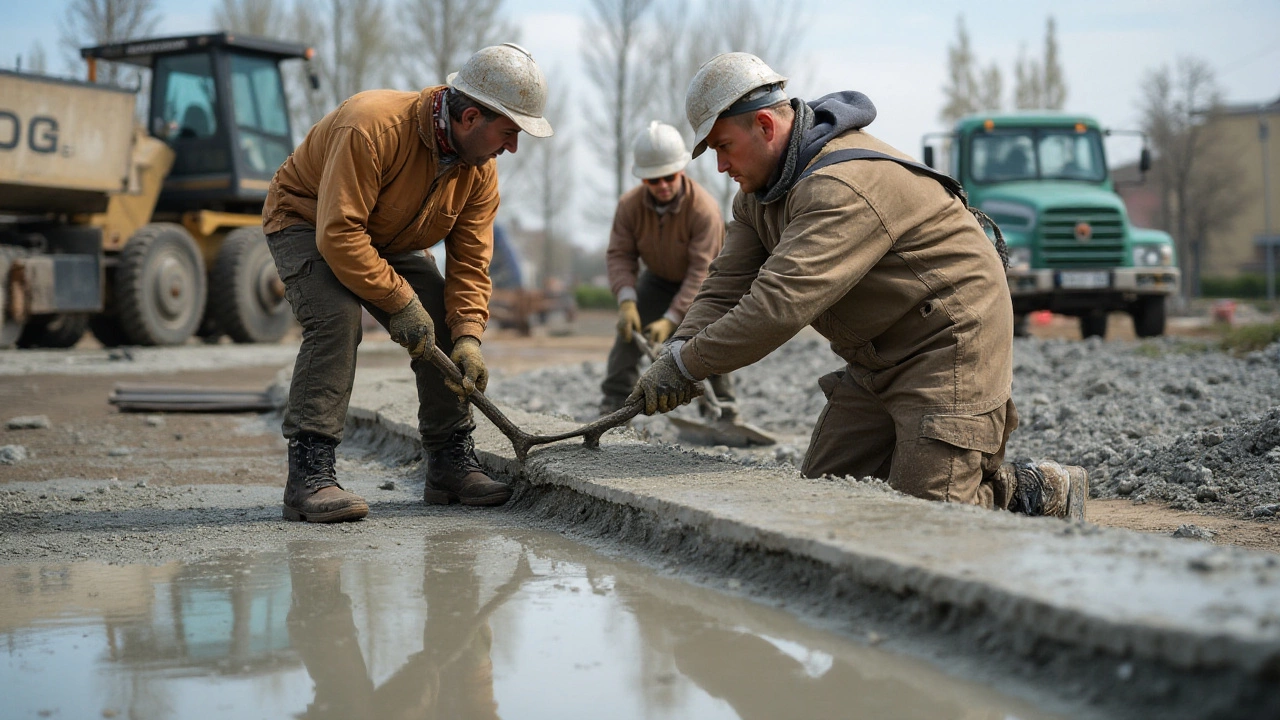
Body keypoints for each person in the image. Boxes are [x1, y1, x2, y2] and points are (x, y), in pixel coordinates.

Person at [630, 52, 1087, 519]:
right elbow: (725, 285)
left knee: (929, 521)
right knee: (826, 502)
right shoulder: (758, 197)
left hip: (949, 343)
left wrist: (687, 367)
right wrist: (680, 346)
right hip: (877, 355)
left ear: (765, 126)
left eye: (723, 147)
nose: (722, 166)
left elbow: (777, 307)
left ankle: (1032, 490)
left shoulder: (839, 188)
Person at [263, 44, 554, 523]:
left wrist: (466, 337)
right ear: (470, 118)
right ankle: (309, 476)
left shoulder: (480, 170)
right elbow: (338, 234)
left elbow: (470, 263)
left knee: (439, 315)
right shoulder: (371, 127)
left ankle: (449, 463)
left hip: (388, 233)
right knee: (336, 320)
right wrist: (399, 302)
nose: (513, 147)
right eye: (509, 133)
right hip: (308, 221)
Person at [599, 121, 735, 418]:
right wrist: (626, 300)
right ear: (643, 179)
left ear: (681, 170)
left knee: (709, 338)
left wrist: (671, 319)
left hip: (705, 284)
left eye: (668, 177)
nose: (662, 186)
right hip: (658, 280)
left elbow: (701, 272)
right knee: (627, 334)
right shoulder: (629, 207)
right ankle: (614, 399)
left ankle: (722, 407)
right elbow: (620, 255)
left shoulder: (704, 210)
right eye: (653, 180)